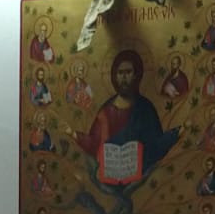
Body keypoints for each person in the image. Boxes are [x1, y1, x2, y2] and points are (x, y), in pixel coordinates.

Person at [71, 50, 180, 181]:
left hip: (140, 178)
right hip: (109, 179)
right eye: (120, 73)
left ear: (136, 75)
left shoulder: (146, 108)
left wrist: (175, 134)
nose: (123, 77)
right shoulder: (106, 111)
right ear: (115, 76)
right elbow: (95, 144)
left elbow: (155, 147)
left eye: (128, 72)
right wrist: (75, 135)